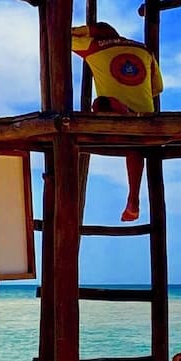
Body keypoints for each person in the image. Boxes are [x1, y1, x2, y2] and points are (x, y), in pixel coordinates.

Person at [71, 22, 163, 222]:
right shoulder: (145, 49)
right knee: (133, 143)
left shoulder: (94, 47)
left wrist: (85, 31)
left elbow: (61, 35)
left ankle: (122, 111)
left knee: (101, 105)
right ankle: (133, 198)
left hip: (114, 118)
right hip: (146, 120)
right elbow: (157, 88)